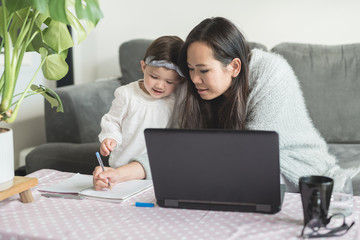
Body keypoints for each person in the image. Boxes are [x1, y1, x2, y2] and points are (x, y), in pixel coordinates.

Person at [93, 36, 184, 190]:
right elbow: (112, 121)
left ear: (180, 81)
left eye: (169, 82)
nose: (160, 85)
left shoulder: (175, 100)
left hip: (156, 171)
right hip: (121, 168)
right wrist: (110, 137)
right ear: (143, 67)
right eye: (154, 77)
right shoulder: (126, 94)